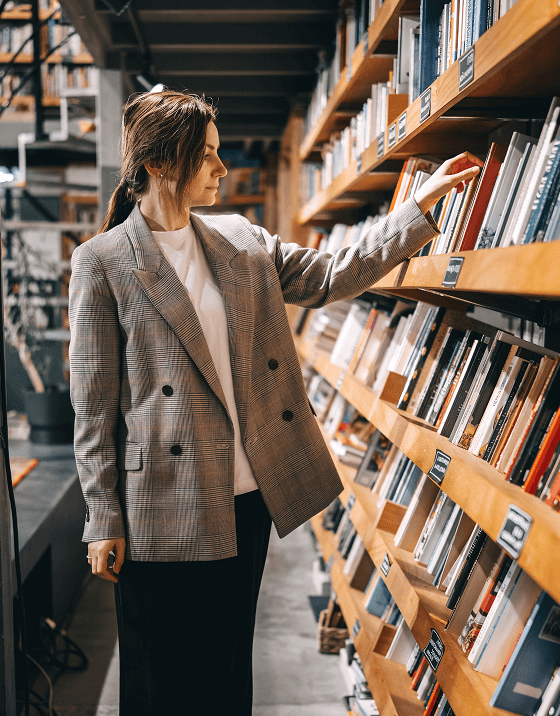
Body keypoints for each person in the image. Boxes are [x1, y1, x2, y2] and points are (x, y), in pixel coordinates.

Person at [68, 90, 482, 716]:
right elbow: (94, 407)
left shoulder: (240, 240)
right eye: (206, 155)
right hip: (160, 506)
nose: (220, 168)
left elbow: (331, 273)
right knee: (159, 678)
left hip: (245, 499)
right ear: (159, 163)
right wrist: (102, 518)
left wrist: (416, 213)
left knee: (228, 669)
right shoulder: (101, 263)